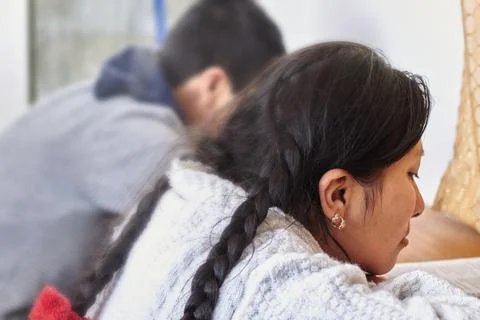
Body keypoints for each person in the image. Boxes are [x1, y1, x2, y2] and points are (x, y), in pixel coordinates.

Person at [48, 41, 479, 319]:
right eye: (412, 174)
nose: (420, 204)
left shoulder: (191, 197)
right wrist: (410, 287)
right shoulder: (283, 289)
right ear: (339, 195)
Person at [0, 0, 285, 319]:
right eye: (247, 108)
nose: (248, 127)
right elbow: (211, 226)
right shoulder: (136, 131)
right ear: (214, 84)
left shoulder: (105, 96)